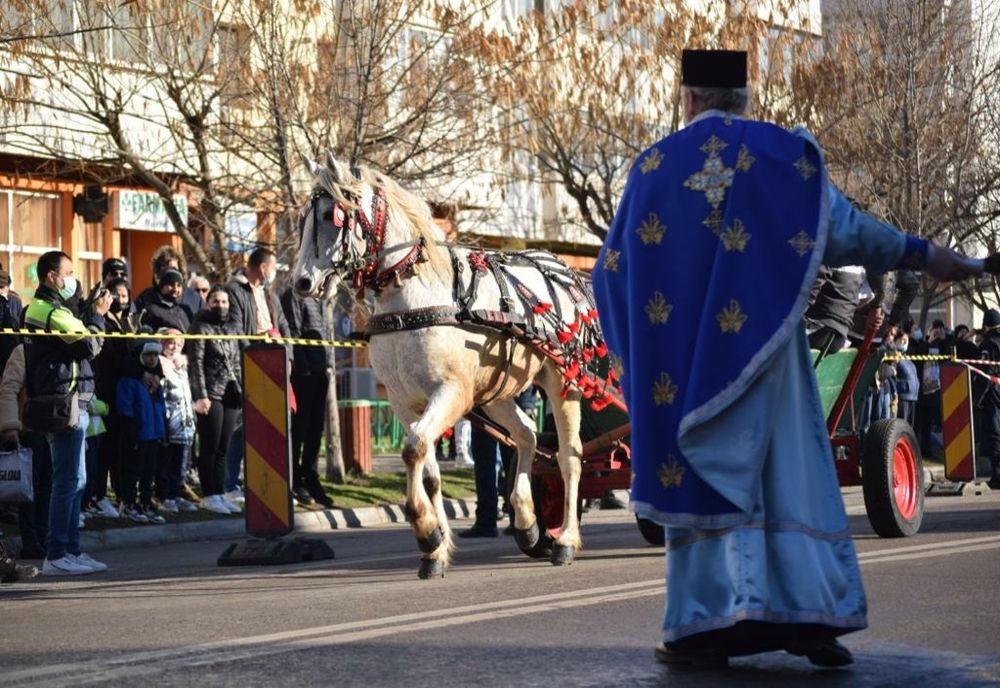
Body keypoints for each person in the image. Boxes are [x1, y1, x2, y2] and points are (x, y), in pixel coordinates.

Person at [591, 49, 986, 668]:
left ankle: (701, 626)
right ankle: (809, 620)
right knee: (789, 482)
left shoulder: (651, 168)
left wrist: (641, 360)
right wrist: (925, 252)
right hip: (766, 357)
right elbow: (847, 230)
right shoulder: (780, 159)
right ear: (746, 101)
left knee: (703, 484)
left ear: (687, 99)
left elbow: (611, 274)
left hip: (684, 373)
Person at [12, 251, 111, 575]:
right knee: (66, 481)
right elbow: (89, 345)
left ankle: (71, 549)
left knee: (76, 479)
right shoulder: (45, 309)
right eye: (68, 272)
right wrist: (97, 316)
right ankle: (56, 553)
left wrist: (88, 316)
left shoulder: (58, 309)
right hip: (61, 401)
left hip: (75, 398)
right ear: (51, 276)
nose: (73, 278)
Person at [224, 247, 290, 504]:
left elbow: (283, 328)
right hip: (251, 366)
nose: (274, 273)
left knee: (271, 429)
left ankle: (268, 485)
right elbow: (238, 332)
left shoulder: (269, 294)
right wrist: (252, 361)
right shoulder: (235, 291)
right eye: (273, 267)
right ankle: (230, 483)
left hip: (275, 367)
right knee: (241, 428)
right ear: (263, 268)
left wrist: (289, 357)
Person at [188, 286, 242, 515]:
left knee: (224, 447)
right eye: (215, 301)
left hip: (230, 392)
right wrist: (201, 395)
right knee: (209, 446)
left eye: (224, 301)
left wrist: (241, 387)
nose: (220, 305)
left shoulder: (232, 328)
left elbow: (237, 361)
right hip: (211, 392)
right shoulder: (200, 327)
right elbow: (196, 364)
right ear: (207, 303)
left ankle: (219, 492)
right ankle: (209, 493)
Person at [281, 286, 334, 508]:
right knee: (299, 429)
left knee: (315, 430)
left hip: (321, 370)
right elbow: (293, 332)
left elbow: (327, 331)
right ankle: (294, 480)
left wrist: (329, 363)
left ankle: (311, 476)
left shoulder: (322, 297)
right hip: (304, 372)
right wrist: (302, 368)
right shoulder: (294, 294)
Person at [116, 342, 167, 524]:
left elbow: (160, 407)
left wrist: (163, 430)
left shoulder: (155, 380)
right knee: (132, 470)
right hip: (138, 432)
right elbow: (125, 406)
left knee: (148, 472)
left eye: (155, 355)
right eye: (148, 355)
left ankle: (145, 503)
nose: (152, 358)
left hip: (153, 434)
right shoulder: (130, 380)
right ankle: (128, 503)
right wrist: (130, 429)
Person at [157, 328, 198, 513]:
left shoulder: (182, 367)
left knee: (181, 463)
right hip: (169, 423)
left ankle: (176, 494)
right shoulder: (161, 366)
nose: (174, 347)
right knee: (167, 462)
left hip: (185, 423)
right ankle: (165, 496)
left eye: (178, 344)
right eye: (170, 343)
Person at [133, 245, 206, 317]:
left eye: (173, 268)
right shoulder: (145, 298)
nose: (170, 273)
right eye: (165, 269)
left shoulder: (194, 298)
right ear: (158, 271)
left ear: (180, 270)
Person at [974, 309, 1000, 489]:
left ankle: (998, 474)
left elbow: (985, 375)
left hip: (993, 394)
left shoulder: (988, 345)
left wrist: (976, 399)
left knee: (994, 434)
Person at [137, 268, 194, 334]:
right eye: (171, 285)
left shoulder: (184, 309)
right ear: (162, 286)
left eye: (178, 285)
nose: (175, 289)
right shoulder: (153, 310)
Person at [895, 332, 919, 426]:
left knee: (909, 426)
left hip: (913, 396)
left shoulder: (907, 358)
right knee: (902, 424)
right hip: (903, 395)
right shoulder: (894, 356)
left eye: (906, 341)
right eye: (902, 340)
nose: (904, 343)